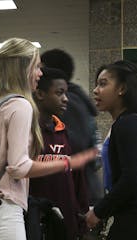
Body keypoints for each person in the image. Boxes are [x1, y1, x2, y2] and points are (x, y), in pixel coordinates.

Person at [0, 37, 97, 240]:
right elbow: (18, 167)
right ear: (23, 69)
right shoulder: (20, 105)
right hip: (6, 208)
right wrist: (68, 161)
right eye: (37, 67)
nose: (40, 73)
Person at [85, 60, 137, 239]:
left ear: (122, 89)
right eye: (97, 84)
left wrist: (99, 211)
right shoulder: (130, 122)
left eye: (103, 84)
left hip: (136, 216)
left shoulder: (127, 124)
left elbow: (131, 178)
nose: (96, 90)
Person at [29, 67, 87, 240]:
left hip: (66, 225)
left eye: (66, 93)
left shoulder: (67, 134)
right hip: (34, 224)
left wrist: (82, 221)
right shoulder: (26, 133)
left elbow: (78, 181)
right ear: (40, 94)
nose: (65, 99)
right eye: (59, 93)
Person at [41, 49, 102, 210]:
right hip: (79, 191)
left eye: (41, 68)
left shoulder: (68, 105)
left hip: (80, 194)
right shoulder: (75, 100)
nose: (37, 74)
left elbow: (74, 148)